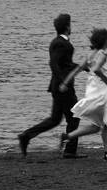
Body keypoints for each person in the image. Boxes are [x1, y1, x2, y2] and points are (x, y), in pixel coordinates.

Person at [17, 13, 86, 158]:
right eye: (70, 24)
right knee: (75, 116)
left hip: (59, 86)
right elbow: (53, 63)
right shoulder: (60, 43)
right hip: (63, 87)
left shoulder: (59, 42)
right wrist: (63, 81)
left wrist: (82, 67)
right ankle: (69, 151)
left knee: (55, 120)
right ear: (67, 26)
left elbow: (64, 63)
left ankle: (26, 136)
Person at [59, 27, 107, 160]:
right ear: (105, 41)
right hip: (100, 92)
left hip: (91, 90)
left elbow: (76, 70)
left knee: (98, 126)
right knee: (106, 122)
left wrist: (65, 83)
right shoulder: (103, 54)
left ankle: (68, 137)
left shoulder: (89, 55)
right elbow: (96, 69)